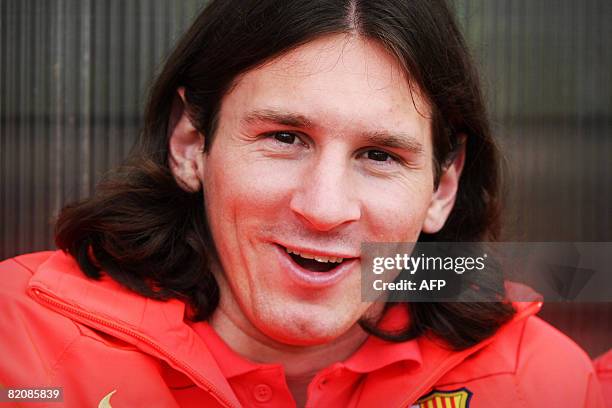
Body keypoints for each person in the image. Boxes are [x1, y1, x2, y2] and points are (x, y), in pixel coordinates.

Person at [0, 1, 605, 407]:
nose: (324, 208)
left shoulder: (543, 382)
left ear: (442, 188)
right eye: (284, 138)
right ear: (190, 143)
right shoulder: (18, 343)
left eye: (380, 155)